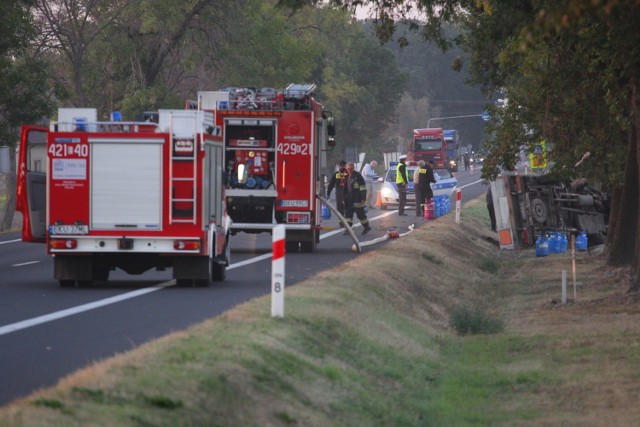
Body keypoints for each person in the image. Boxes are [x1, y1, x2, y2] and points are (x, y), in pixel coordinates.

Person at [343, 162, 372, 235]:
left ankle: (367, 227)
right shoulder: (346, 176)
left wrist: (363, 197)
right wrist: (343, 198)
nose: (349, 170)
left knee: (360, 214)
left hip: (357, 198)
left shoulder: (358, 176)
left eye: (351, 168)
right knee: (348, 214)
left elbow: (362, 187)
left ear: (353, 168)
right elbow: (345, 188)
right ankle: (348, 229)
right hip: (349, 199)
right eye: (348, 169)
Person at [326, 160, 348, 227]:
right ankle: (346, 222)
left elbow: (331, 184)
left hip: (339, 191)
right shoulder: (348, 173)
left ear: (339, 166)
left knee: (340, 207)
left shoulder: (336, 174)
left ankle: (341, 222)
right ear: (345, 166)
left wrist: (328, 193)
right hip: (346, 191)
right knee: (347, 207)